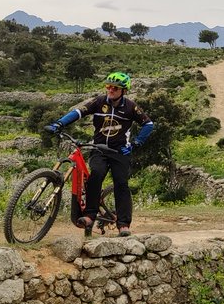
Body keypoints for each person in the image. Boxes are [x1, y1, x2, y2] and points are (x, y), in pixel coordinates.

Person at [45, 71, 155, 237]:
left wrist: (136, 143)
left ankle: (123, 224)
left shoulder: (131, 106)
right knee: (95, 175)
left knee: (121, 183)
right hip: (99, 149)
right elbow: (78, 112)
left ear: (124, 91)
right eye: (108, 86)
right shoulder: (99, 101)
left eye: (115, 88)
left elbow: (148, 124)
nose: (110, 90)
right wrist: (59, 123)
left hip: (120, 151)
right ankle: (89, 216)